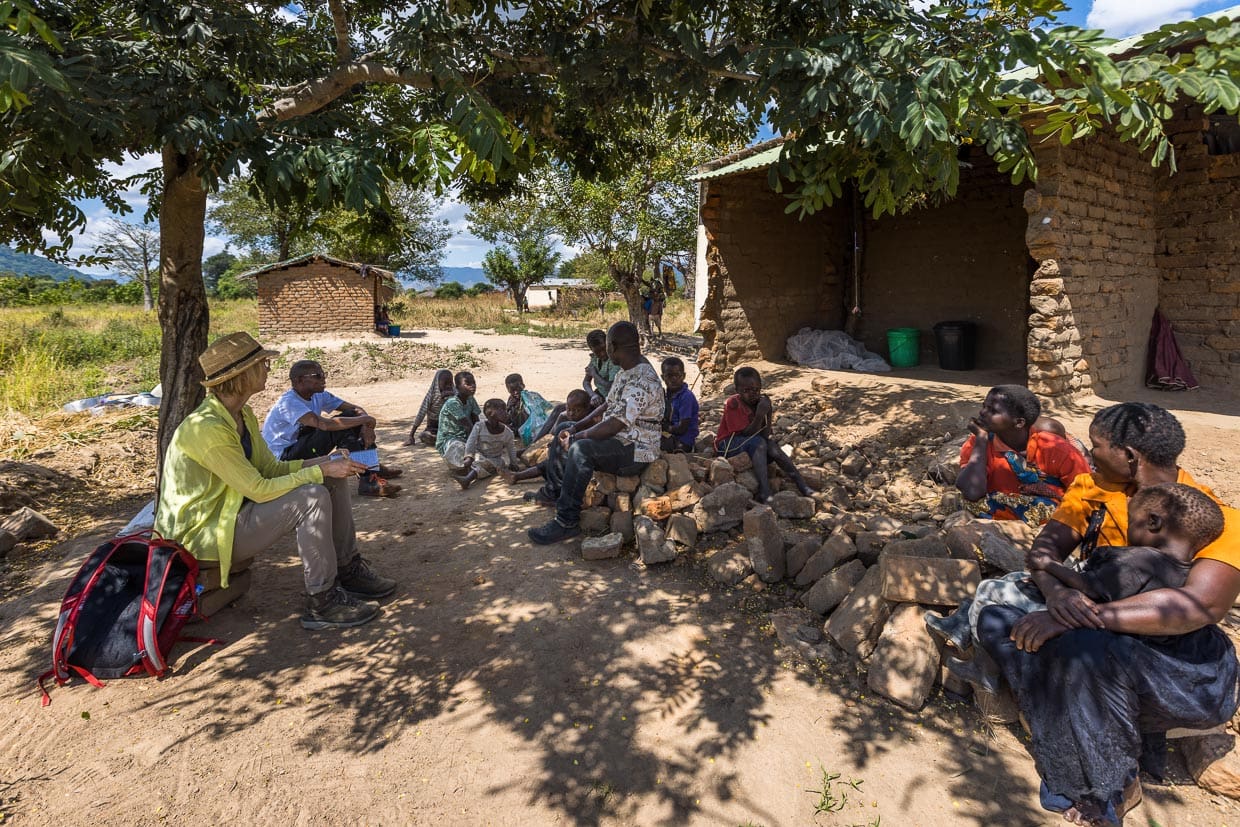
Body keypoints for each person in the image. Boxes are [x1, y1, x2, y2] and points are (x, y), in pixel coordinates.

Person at [930, 402, 1226, 654]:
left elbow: (1203, 605)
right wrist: (1057, 594)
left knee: (999, 607)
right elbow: (1044, 552)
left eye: (1095, 446)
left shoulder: (1213, 516)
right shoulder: (1091, 488)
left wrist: (1076, 618)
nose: (1090, 456)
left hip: (1152, 630)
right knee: (1005, 590)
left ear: (1129, 456)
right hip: (1088, 601)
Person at [154, 332, 397, 630]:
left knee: (331, 480)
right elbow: (258, 488)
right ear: (241, 375)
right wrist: (320, 471)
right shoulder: (208, 429)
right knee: (312, 497)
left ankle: (348, 569)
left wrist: (325, 463)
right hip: (203, 534)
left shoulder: (242, 414)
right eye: (262, 364)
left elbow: (270, 468)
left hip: (231, 515)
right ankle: (322, 600)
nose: (268, 369)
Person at [528, 321, 663, 544]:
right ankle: (555, 492)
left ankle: (566, 521)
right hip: (621, 439)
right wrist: (574, 427)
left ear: (613, 346)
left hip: (637, 450)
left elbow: (615, 424)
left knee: (580, 449)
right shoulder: (626, 371)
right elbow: (607, 405)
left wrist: (578, 436)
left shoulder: (642, 379)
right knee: (563, 427)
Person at [1032, 483, 1222, 615]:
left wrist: (1048, 564)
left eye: (1130, 521)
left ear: (1153, 522)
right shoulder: (1189, 573)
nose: (1127, 528)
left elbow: (1089, 586)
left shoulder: (1141, 560)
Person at [260, 359, 402, 497]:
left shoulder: (319, 395)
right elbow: (324, 424)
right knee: (340, 426)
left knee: (351, 417)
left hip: (301, 446)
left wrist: (367, 425)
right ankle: (368, 479)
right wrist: (366, 420)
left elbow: (355, 409)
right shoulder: (288, 402)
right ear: (299, 380)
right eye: (318, 375)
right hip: (284, 459)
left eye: (323, 374)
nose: (323, 378)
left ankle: (371, 465)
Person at [956, 385, 1090, 526]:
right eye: (984, 406)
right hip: (1001, 506)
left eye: (993, 411)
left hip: (1053, 514)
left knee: (1046, 508)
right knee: (966, 500)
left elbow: (1086, 494)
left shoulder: (1055, 448)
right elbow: (971, 493)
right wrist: (981, 439)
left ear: (1019, 423)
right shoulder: (978, 443)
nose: (982, 412)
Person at [714, 366, 813, 502]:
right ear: (737, 391)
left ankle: (802, 484)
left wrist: (768, 411)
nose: (752, 394)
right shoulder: (733, 404)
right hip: (727, 446)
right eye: (746, 391)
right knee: (759, 443)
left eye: (756, 389)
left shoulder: (759, 403)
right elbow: (747, 434)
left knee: (771, 446)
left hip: (750, 445)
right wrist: (760, 415)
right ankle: (764, 491)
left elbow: (764, 436)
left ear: (760, 388)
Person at [504, 389, 602, 487]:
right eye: (569, 409)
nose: (571, 413)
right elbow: (551, 436)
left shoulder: (592, 423)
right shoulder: (566, 418)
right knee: (551, 460)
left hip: (579, 460)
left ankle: (517, 476)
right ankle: (520, 471)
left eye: (577, 411)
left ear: (587, 409)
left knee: (552, 463)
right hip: (566, 456)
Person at [455, 398, 520, 490]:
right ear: (490, 414)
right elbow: (471, 442)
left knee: (489, 464)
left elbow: (511, 448)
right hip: (478, 455)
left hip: (495, 459)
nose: (506, 413)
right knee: (460, 449)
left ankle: (468, 479)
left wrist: (514, 463)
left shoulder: (507, 432)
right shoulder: (479, 426)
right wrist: (469, 456)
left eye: (505, 410)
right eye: (502, 410)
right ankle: (469, 468)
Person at [435, 371, 481, 476]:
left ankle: (471, 467)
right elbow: (468, 427)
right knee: (458, 448)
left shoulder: (471, 399)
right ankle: (468, 467)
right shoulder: (452, 403)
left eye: (473, 382)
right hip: (450, 440)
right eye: (467, 383)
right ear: (457, 387)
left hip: (467, 437)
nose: (473, 386)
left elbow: (476, 423)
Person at [505, 373, 564, 445]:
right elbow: (508, 417)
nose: (516, 392)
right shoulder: (511, 400)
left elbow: (540, 412)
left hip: (529, 427)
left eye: (518, 389)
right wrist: (509, 407)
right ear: (508, 390)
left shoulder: (531, 397)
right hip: (517, 426)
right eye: (512, 390)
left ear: (523, 385)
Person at [406, 369, 454, 447]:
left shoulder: (455, 394)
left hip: (449, 427)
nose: (448, 386)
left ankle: (444, 439)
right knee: (427, 436)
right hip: (433, 427)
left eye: (450, 383)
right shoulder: (431, 396)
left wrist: (453, 396)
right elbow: (421, 414)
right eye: (445, 383)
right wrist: (411, 435)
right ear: (437, 383)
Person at [660, 356, 698, 453]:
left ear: (683, 376)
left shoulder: (686, 397)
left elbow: (682, 429)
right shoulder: (664, 395)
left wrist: (663, 427)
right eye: (669, 376)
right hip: (670, 434)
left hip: (682, 441)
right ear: (663, 377)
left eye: (677, 375)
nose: (674, 379)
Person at [582, 328, 619, 407]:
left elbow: (612, 387)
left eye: (604, 349)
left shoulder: (614, 361)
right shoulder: (595, 359)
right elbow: (586, 382)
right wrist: (593, 395)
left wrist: (595, 375)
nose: (602, 354)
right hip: (600, 395)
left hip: (613, 398)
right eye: (597, 352)